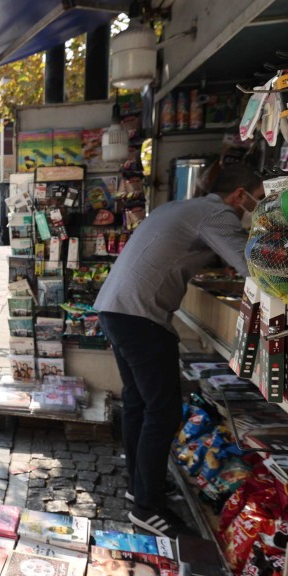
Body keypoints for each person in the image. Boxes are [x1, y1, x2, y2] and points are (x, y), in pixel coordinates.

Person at [94, 163, 264, 538]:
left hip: (116, 309)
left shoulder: (184, 207)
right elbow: (254, 266)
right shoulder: (216, 213)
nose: (257, 206)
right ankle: (147, 506)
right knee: (163, 411)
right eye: (258, 199)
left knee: (140, 402)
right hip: (139, 316)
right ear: (240, 195)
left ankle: (140, 487)